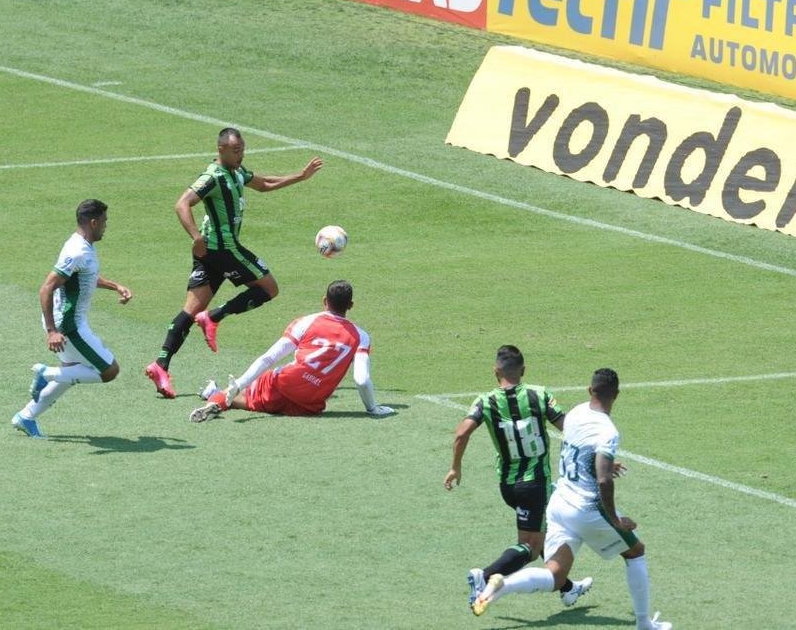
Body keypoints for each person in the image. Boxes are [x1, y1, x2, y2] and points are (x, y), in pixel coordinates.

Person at [472, 368, 672, 630]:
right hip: (586, 509)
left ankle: (501, 585)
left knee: (555, 575)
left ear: (590, 391)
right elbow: (603, 480)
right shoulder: (608, 431)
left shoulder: (576, 412)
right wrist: (616, 520)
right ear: (617, 395)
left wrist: (601, 464)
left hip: (558, 503)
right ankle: (645, 624)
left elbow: (579, 450)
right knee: (636, 552)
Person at [144, 127, 323, 398]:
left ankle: (160, 365)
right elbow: (182, 204)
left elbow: (264, 184)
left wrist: (300, 176)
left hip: (210, 254)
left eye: (242, 149)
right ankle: (214, 317)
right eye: (236, 150)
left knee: (190, 310)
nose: (241, 154)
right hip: (223, 249)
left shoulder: (237, 172)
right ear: (221, 150)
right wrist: (195, 236)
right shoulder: (212, 177)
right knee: (269, 288)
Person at [444, 345, 591, 611]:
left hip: (508, 485)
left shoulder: (484, 401)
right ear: (523, 370)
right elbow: (568, 427)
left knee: (544, 529)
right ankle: (485, 576)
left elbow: (461, 433)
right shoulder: (539, 394)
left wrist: (455, 467)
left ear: (495, 371)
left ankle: (568, 588)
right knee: (530, 546)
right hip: (535, 483)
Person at [189, 280, 394, 421]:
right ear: (351, 305)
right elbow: (362, 379)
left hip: (281, 385)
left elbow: (269, 357)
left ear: (325, 301)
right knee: (250, 401)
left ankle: (214, 397)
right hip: (309, 405)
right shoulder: (361, 336)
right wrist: (372, 409)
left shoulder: (306, 322)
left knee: (237, 395)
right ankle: (219, 396)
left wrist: (241, 382)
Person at [12, 199, 132, 437]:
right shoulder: (76, 251)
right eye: (105, 221)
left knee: (72, 373)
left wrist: (115, 286)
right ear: (94, 222)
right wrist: (52, 331)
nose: (106, 226)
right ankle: (45, 373)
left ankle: (26, 417)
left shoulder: (83, 246)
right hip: (68, 325)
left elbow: (87, 276)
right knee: (109, 371)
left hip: (71, 322)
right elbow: (46, 288)